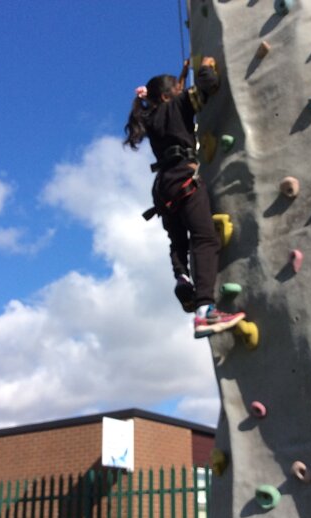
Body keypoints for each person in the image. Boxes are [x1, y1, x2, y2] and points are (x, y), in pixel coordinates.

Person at [124, 57, 245, 339]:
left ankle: (182, 277)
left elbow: (173, 95)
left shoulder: (149, 117)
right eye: (177, 89)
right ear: (168, 95)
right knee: (205, 238)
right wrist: (205, 66)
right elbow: (208, 85)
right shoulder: (178, 105)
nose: (182, 91)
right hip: (184, 178)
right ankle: (205, 310)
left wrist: (179, 77)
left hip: (162, 186)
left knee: (178, 241)